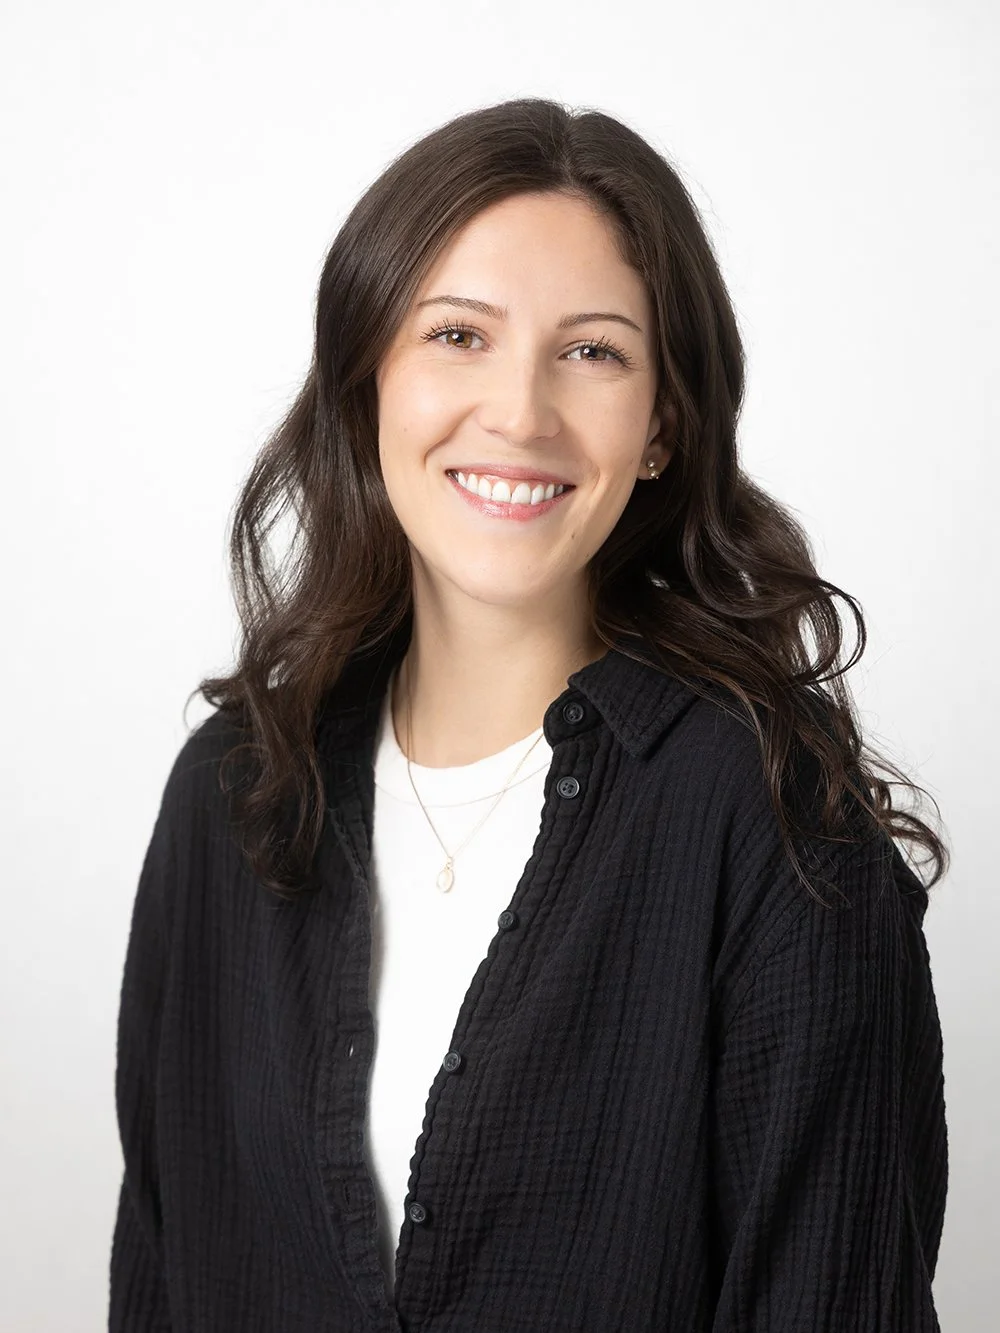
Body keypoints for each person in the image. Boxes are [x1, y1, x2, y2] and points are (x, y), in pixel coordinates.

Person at [109, 97, 949, 1332]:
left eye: (592, 352)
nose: (518, 411)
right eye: (458, 334)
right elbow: (158, 1273)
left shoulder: (777, 821)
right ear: (369, 380)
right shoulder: (234, 790)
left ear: (661, 425)